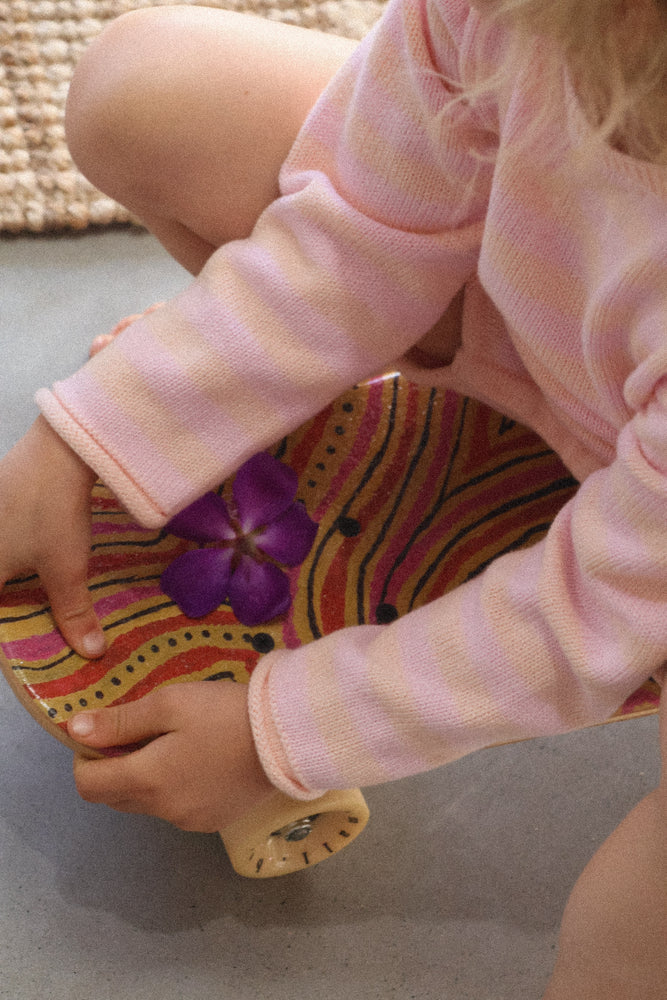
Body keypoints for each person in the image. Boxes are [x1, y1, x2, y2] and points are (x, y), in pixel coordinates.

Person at [0, 0, 665, 993]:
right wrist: (102, 423)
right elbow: (360, 229)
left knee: (619, 951)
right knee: (143, 87)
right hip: (555, 337)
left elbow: (586, 615)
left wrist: (287, 732)